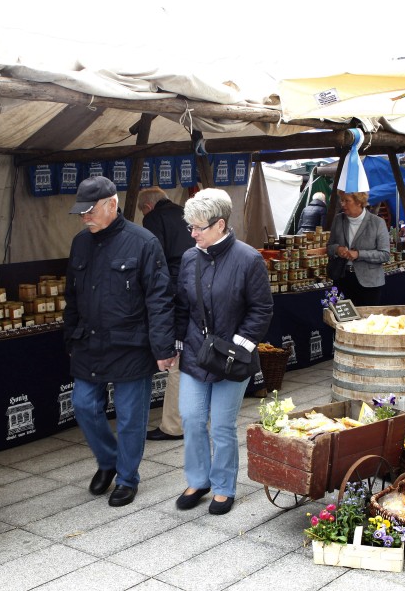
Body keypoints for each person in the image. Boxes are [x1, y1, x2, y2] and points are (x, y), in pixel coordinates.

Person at [64, 176, 178, 508]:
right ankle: (109, 461)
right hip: (89, 342)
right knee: (84, 405)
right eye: (81, 212)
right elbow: (72, 297)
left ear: (112, 204)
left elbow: (160, 299)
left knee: (130, 417)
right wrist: (70, 337)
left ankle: (127, 478)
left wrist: (163, 348)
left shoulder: (143, 242)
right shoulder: (80, 243)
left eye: (90, 211)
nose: (85, 218)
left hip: (131, 344)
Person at [174, 188, 273, 515]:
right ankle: (198, 480)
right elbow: (182, 306)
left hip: (233, 357)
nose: (193, 233)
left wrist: (240, 346)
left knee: (221, 425)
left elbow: (261, 309)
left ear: (220, 224)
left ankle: (223, 487)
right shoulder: (190, 258)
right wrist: (176, 343)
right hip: (196, 352)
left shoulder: (249, 258)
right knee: (191, 418)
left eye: (198, 227)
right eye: (190, 226)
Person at [138, 186, 195, 442]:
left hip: (173, 291)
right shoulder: (185, 213)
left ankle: (173, 425)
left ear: (147, 207)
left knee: (175, 359)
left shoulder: (153, 219)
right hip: (196, 286)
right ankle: (190, 418)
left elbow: (153, 260)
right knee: (188, 356)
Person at [327, 192, 391, 306]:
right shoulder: (338, 219)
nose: (343, 204)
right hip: (342, 279)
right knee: (342, 316)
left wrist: (359, 254)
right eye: (342, 200)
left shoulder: (377, 222)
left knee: (366, 317)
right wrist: (337, 249)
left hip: (369, 283)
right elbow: (329, 247)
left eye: (347, 201)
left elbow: (384, 255)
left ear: (359, 202)